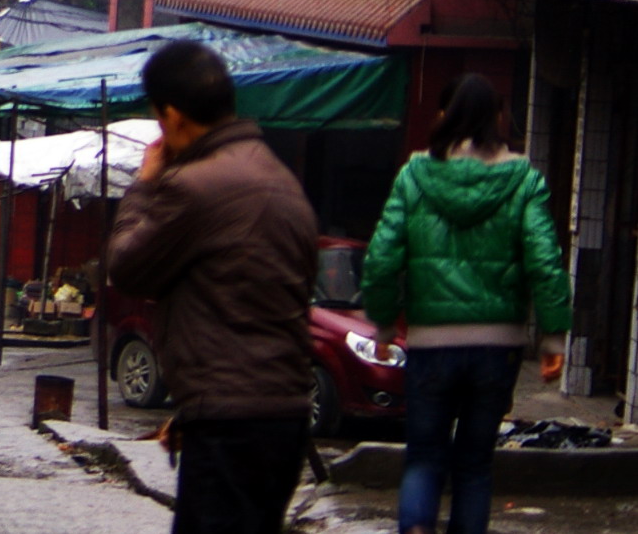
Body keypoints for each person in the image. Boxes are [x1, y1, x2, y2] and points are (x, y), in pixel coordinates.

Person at [107, 39, 317, 534]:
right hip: (281, 415)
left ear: (174, 117)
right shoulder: (280, 179)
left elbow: (125, 267)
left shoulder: (195, 187)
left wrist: (144, 186)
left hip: (231, 424)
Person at [362, 74, 571, 534]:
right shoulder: (523, 179)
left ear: (447, 115)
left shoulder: (414, 174)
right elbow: (546, 259)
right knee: (475, 465)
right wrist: (554, 336)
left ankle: (416, 528)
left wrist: (381, 327)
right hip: (498, 347)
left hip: (431, 344)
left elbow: (381, 258)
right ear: (497, 119)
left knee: (423, 457)